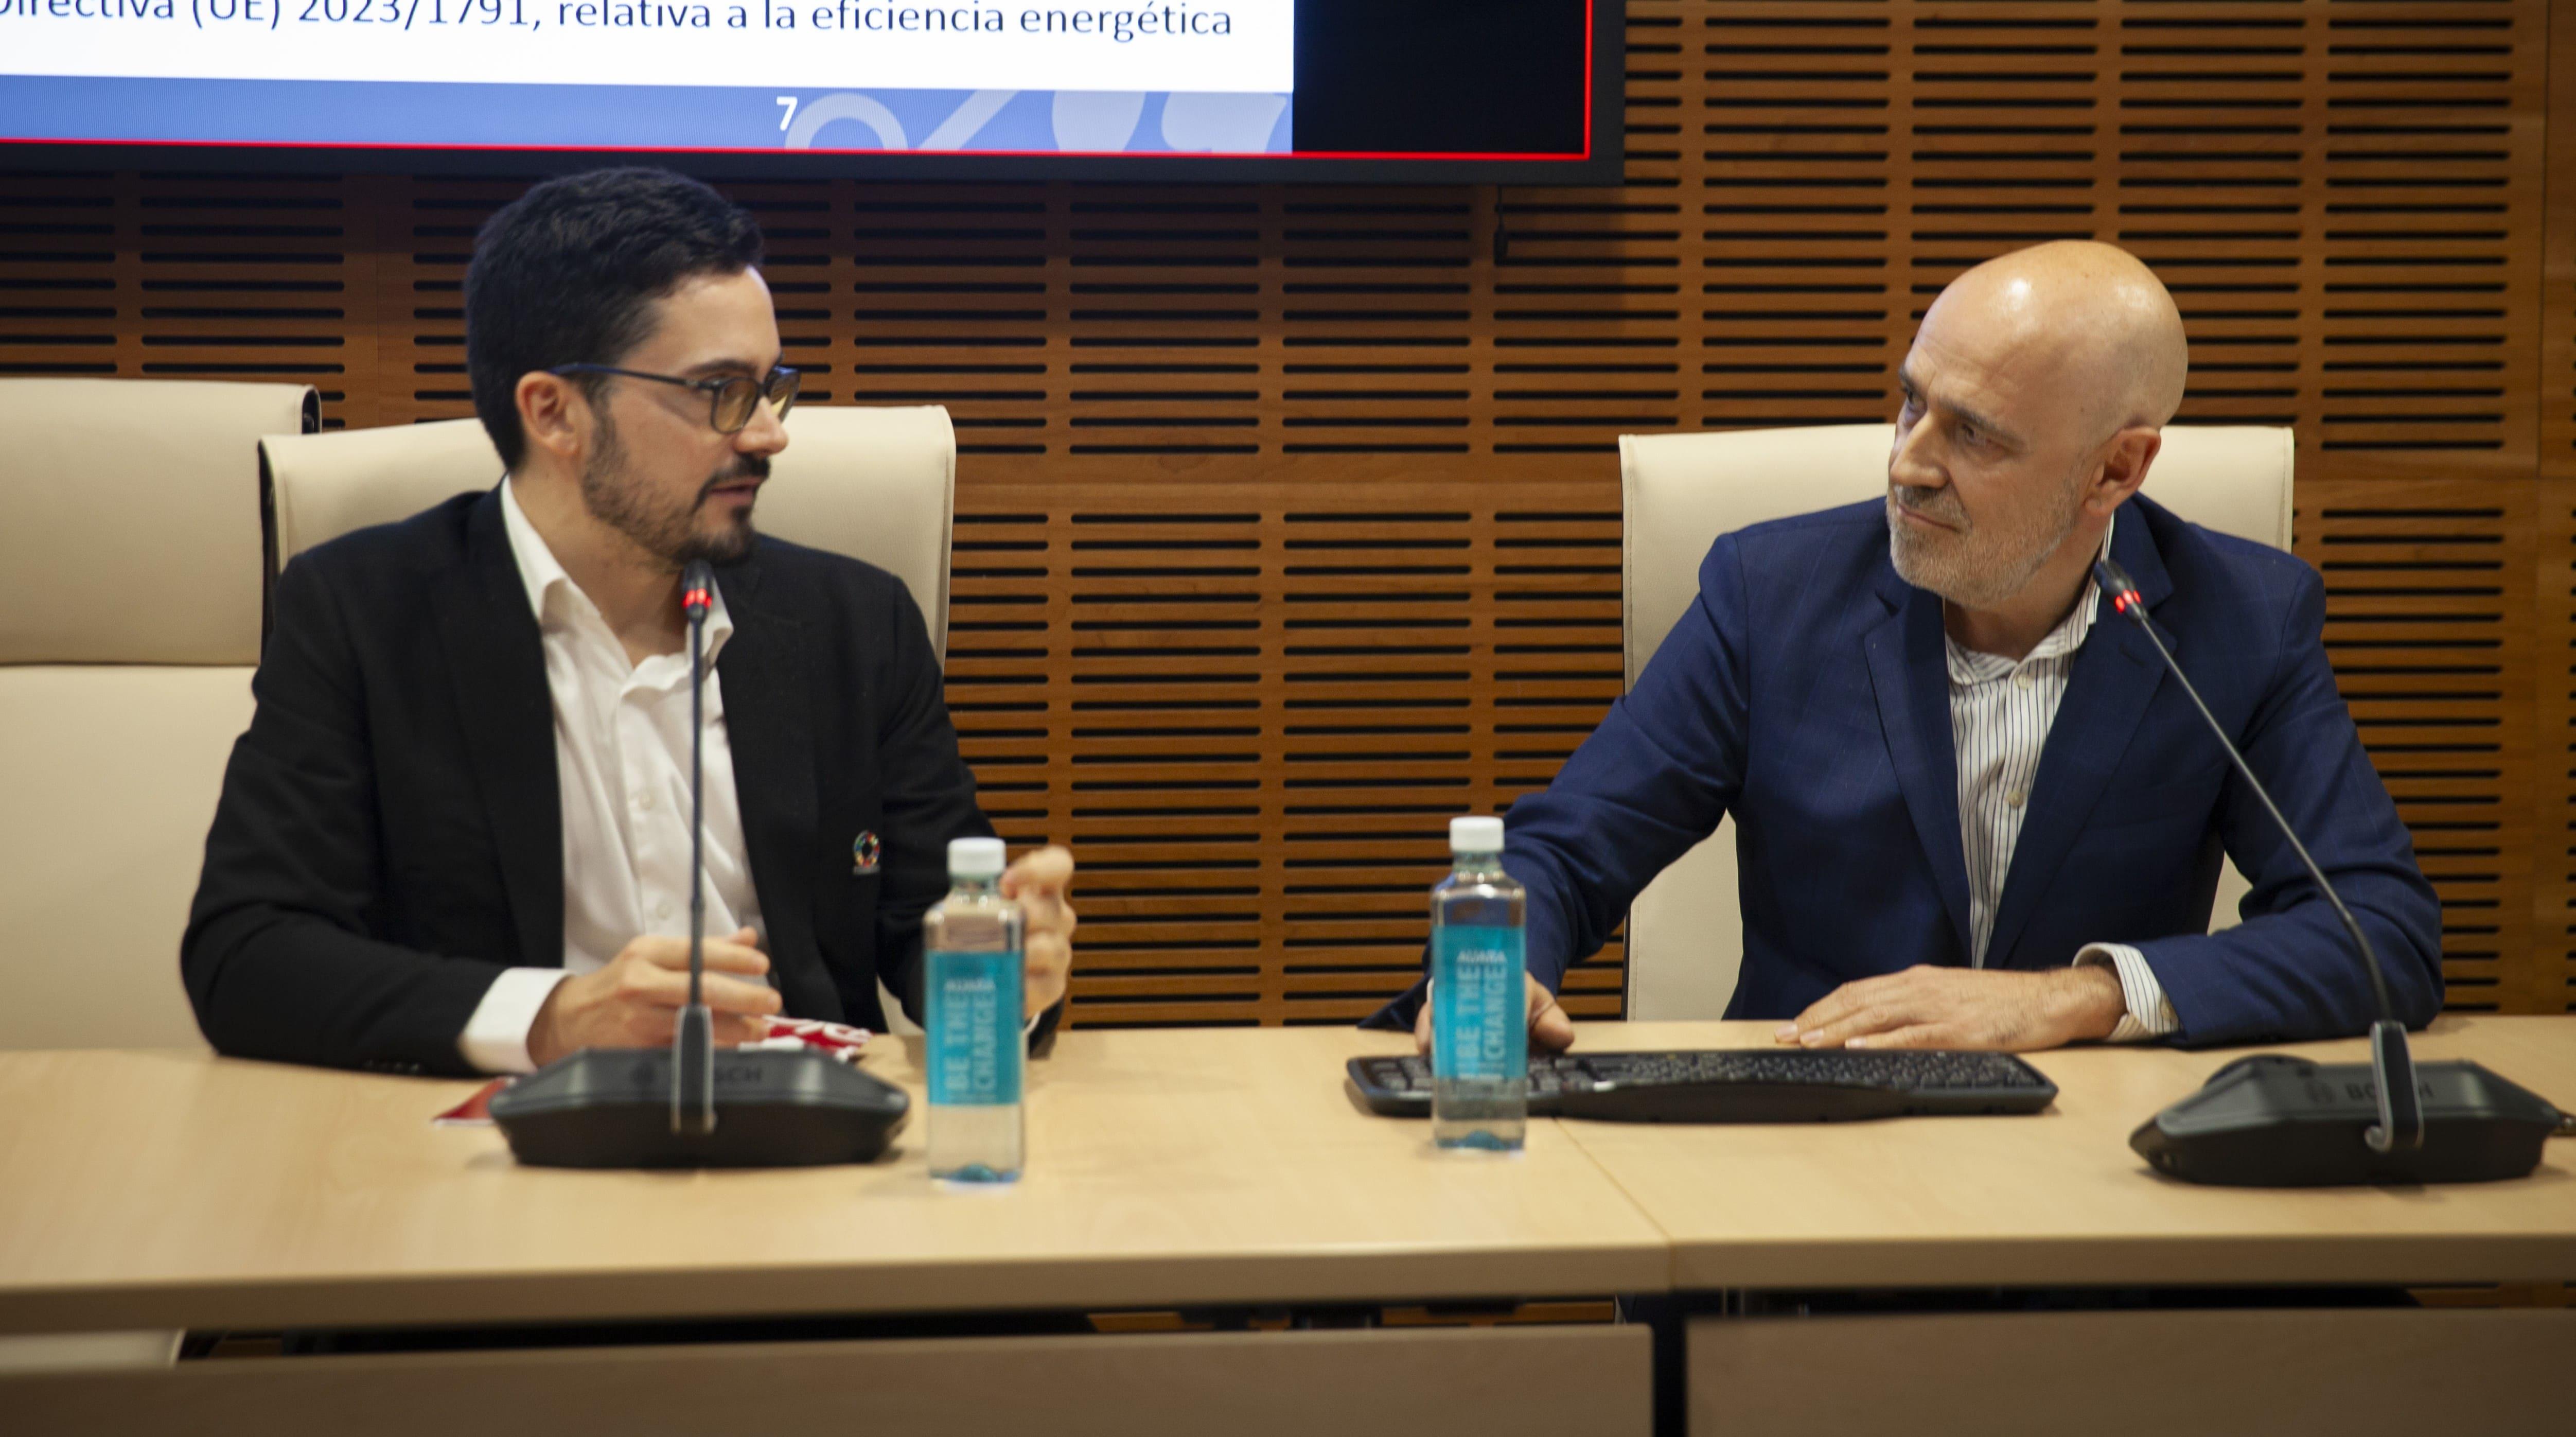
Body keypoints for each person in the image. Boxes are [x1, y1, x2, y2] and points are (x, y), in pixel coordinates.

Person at [1375, 240, 2440, 1054]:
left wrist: (2076, 996)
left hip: (2092, 1184)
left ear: (2116, 470)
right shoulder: (1772, 595)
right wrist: (1495, 963)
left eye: (1973, 434)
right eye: (1909, 403)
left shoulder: (2237, 619)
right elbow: (1565, 848)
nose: (1908, 464)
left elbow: (2377, 931)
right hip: (1806, 1158)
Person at [184, 168, 1077, 1076]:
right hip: (491, 1163)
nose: (769, 434)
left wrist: (1005, 971)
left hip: (807, 1158)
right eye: (719, 391)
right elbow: (248, 957)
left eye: (771, 387)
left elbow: (933, 931)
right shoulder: (364, 615)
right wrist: (557, 1017)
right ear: (554, 412)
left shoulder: (857, 627)